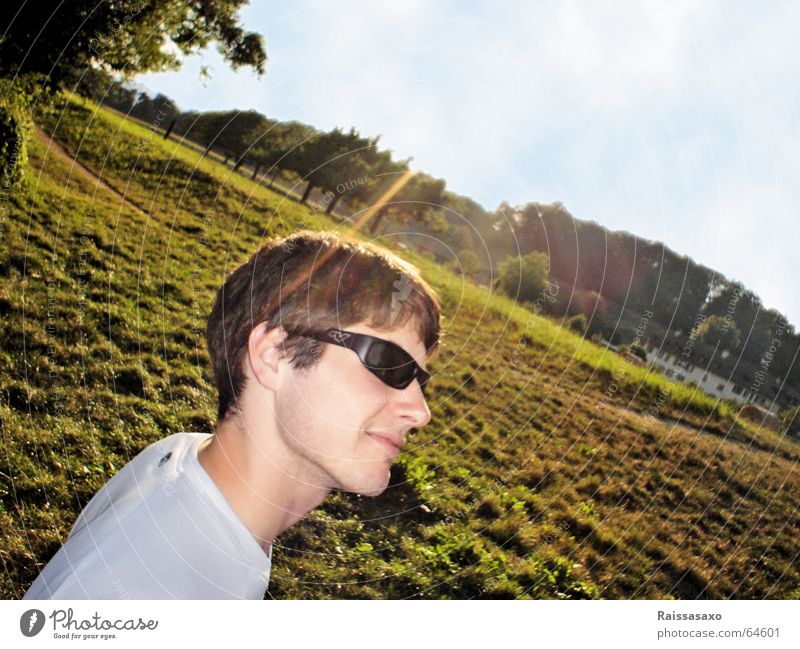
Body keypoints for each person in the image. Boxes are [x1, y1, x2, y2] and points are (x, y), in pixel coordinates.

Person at [24, 230, 442, 599]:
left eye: (420, 381)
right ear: (273, 354)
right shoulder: (143, 586)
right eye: (388, 363)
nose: (420, 412)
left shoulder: (191, 466)